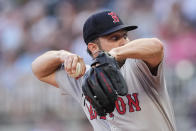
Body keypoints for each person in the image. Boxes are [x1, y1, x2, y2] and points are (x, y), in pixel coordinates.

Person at [32, 10, 176, 131]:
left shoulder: (138, 66)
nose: (124, 42)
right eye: (114, 38)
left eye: (125, 36)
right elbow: (38, 69)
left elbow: (157, 46)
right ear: (93, 48)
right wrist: (63, 55)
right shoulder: (83, 77)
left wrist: (113, 54)